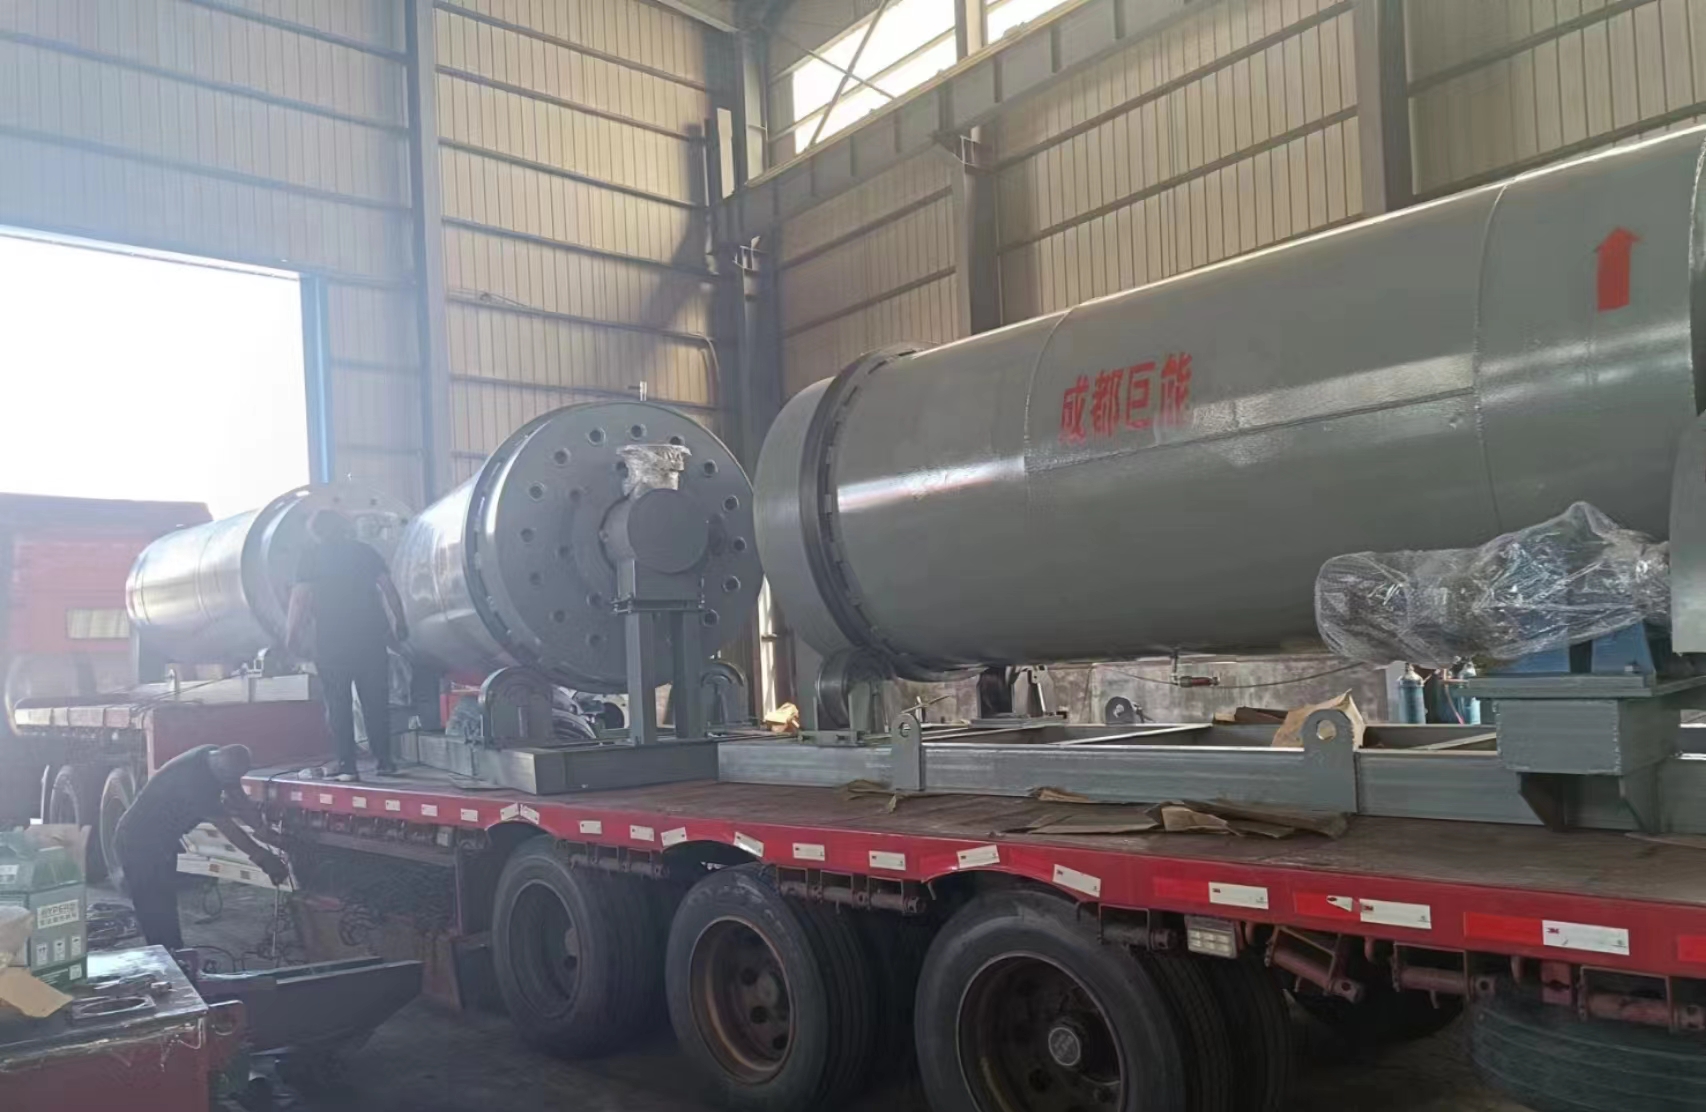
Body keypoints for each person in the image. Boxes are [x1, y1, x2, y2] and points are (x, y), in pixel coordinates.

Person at [113, 744, 289, 951]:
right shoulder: (195, 783)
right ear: (219, 770)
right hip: (137, 840)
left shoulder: (214, 757)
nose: (230, 783)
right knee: (153, 904)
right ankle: (163, 954)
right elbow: (228, 828)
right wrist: (262, 857)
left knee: (165, 900)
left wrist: (261, 829)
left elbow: (238, 798)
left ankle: (174, 951)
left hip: (162, 841)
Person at [285, 509, 408, 781]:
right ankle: (385, 761)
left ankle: (347, 765)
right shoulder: (365, 552)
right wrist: (400, 622)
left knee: (338, 703)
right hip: (370, 638)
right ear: (343, 527)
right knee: (376, 702)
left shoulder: (311, 557)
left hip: (331, 642)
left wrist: (291, 637)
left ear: (316, 532)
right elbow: (388, 588)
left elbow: (299, 600)